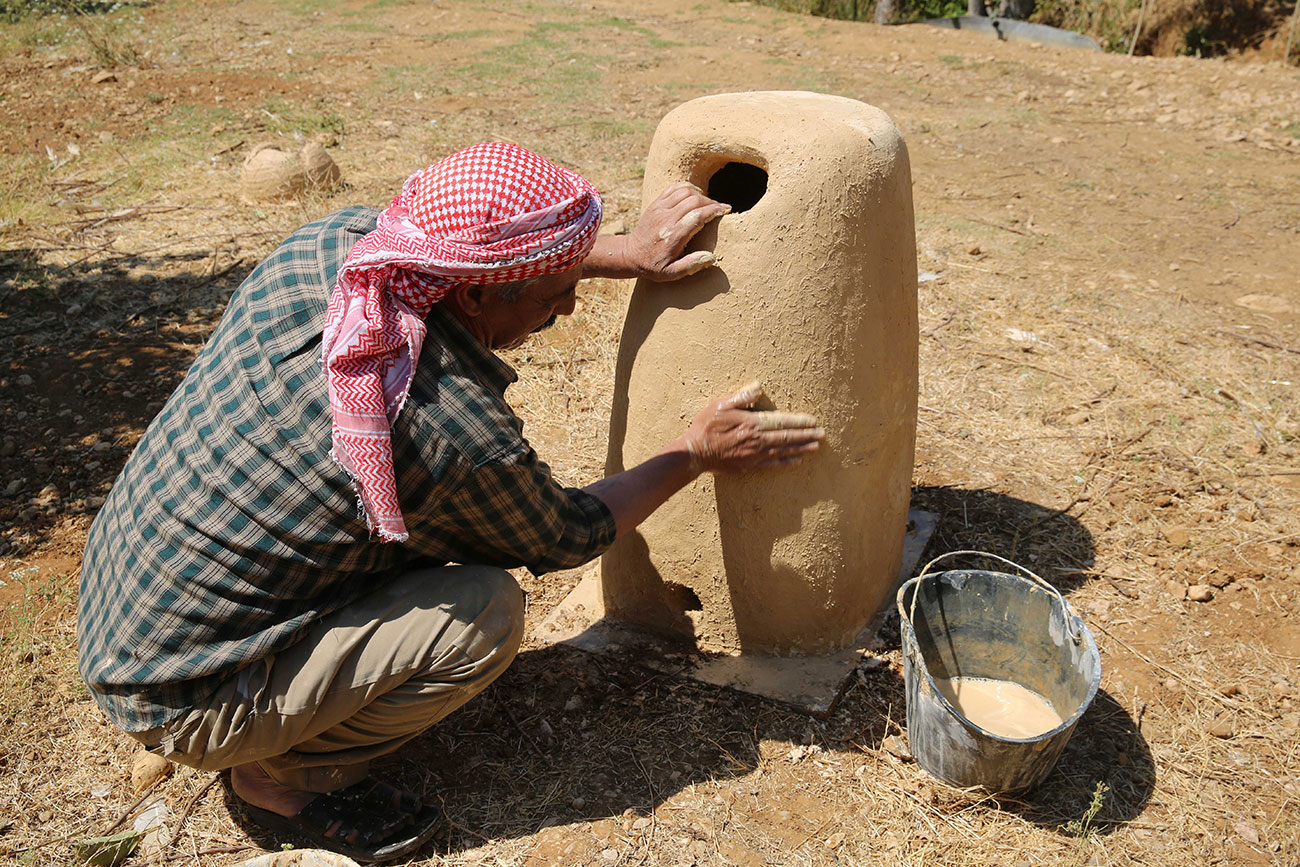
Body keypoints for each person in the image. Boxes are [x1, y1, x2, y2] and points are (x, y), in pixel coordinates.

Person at [76, 142, 823, 863]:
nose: (566, 308)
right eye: (554, 291)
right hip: (187, 691)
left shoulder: (337, 243)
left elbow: (467, 251)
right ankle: (279, 774)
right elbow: (566, 534)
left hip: (123, 598)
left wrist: (623, 253)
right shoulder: (447, 426)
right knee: (481, 611)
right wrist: (693, 452)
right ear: (473, 289)